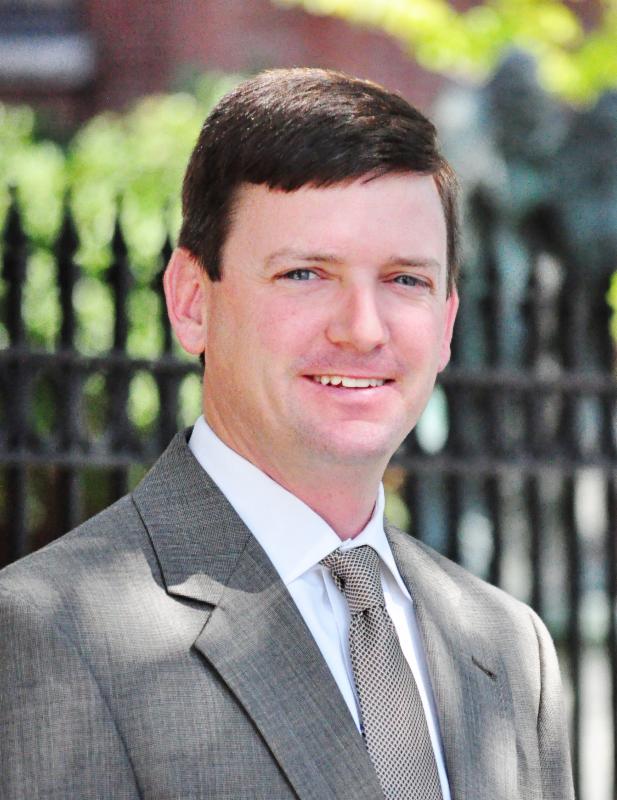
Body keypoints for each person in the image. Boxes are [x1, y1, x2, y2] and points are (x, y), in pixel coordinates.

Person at [0, 68, 573, 800]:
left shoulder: (510, 648)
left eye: (405, 280)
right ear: (191, 301)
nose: (362, 329)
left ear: (447, 325)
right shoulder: (48, 633)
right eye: (305, 274)